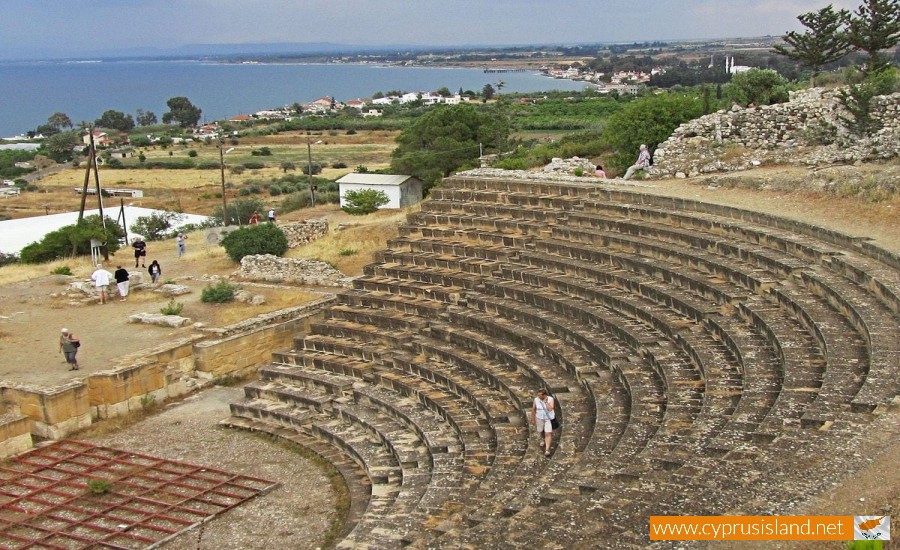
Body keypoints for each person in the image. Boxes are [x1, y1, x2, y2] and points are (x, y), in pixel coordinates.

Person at [531, 389, 556, 457]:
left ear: (544, 395)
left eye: (539, 395)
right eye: (538, 395)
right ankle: (543, 439)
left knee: (548, 433)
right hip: (539, 418)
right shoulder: (536, 399)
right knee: (541, 431)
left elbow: (550, 409)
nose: (538, 396)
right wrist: (533, 419)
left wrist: (546, 402)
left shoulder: (550, 399)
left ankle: (547, 449)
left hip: (548, 418)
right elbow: (534, 409)